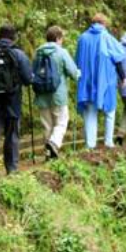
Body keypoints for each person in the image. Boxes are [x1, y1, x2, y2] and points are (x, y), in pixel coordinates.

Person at [0, 24, 33, 174]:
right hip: (12, 100)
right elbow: (28, 79)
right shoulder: (18, 54)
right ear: (13, 37)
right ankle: (12, 169)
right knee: (12, 134)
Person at [75, 13, 126, 149]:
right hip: (106, 80)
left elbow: (77, 60)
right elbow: (118, 58)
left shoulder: (82, 38)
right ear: (104, 24)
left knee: (90, 113)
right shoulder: (107, 37)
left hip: (87, 81)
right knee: (110, 110)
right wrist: (123, 76)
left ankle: (90, 144)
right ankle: (108, 142)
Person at [33, 26, 80, 160]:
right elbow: (73, 72)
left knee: (47, 125)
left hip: (41, 95)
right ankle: (53, 143)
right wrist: (78, 74)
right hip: (58, 95)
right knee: (61, 122)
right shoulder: (61, 52)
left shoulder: (38, 52)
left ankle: (49, 155)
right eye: (62, 38)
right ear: (58, 38)